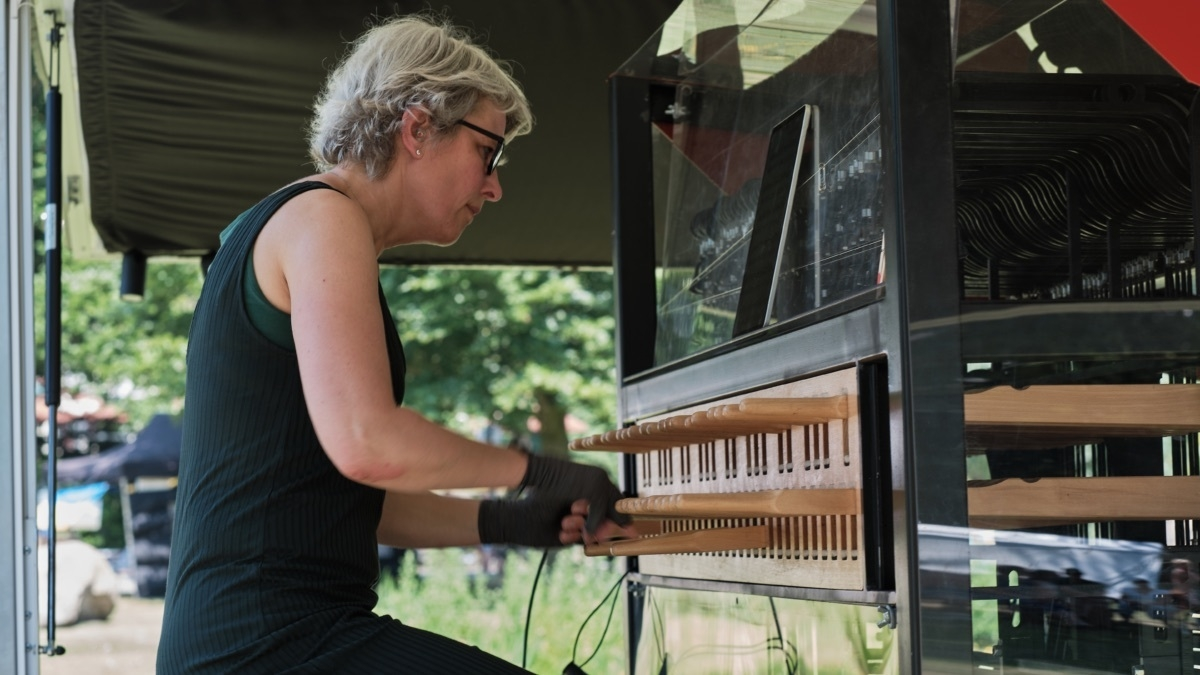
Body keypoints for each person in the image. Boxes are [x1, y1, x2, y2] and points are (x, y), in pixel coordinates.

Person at [157, 15, 632, 674]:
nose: (494, 186)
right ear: (416, 129)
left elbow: (350, 498)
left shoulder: (283, 222)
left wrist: (509, 522)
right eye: (487, 153)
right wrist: (544, 470)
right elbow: (369, 444)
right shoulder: (323, 219)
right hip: (266, 643)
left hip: (258, 639)